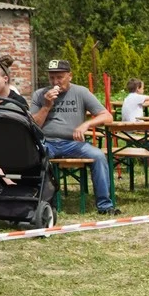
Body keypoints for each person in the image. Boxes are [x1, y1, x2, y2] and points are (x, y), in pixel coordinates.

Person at [29, 59, 120, 215]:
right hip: (47, 142)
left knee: (98, 156)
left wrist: (86, 125)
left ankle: (105, 205)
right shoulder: (40, 94)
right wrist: (46, 106)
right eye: (52, 77)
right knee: (34, 157)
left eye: (60, 77)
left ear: (69, 76)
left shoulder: (81, 92)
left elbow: (107, 116)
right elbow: (33, 124)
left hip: (72, 143)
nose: (55, 81)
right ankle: (40, 203)